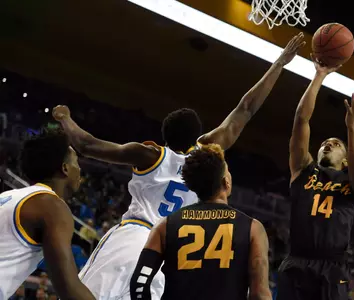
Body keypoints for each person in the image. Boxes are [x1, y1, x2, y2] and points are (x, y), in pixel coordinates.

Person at [52, 32, 305, 300]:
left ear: (165, 137)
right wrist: (279, 64)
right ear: (199, 137)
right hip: (174, 251)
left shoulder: (150, 155)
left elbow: (88, 145)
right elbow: (246, 108)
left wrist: (65, 118)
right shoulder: (204, 161)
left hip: (134, 237)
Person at [276, 56, 354, 300]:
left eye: (336, 144)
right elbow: (301, 120)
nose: (328, 144)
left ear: (346, 158)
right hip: (296, 262)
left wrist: (352, 128)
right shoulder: (302, 169)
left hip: (332, 268)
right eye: (324, 143)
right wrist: (319, 76)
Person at [130, 144, 271, 300]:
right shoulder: (252, 228)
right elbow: (259, 294)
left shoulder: (165, 225)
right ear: (226, 182)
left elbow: (140, 283)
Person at [0, 130, 95, 300]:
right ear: (65, 168)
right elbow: (68, 288)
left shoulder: (8, 197)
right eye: (76, 162)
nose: (80, 169)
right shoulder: (52, 207)